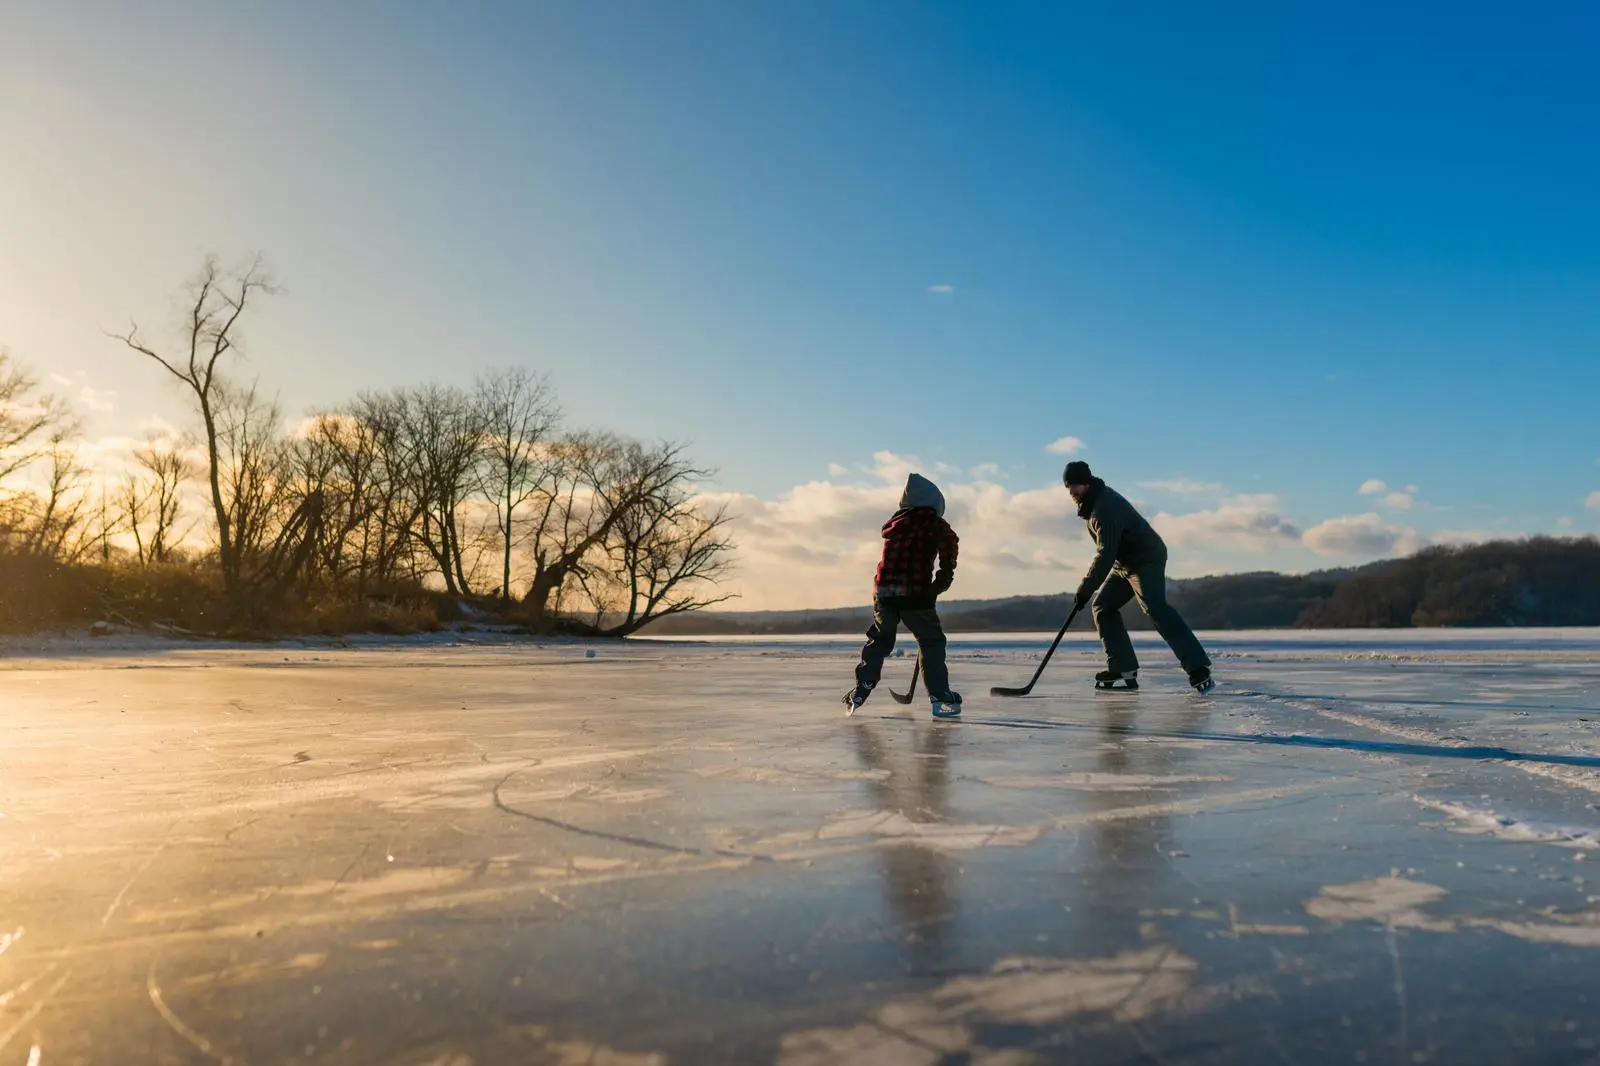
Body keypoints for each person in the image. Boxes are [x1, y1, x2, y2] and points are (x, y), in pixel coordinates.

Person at [1063, 460, 1214, 693]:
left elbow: (1105, 554)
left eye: (1074, 485)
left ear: (1086, 482)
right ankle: (1122, 668)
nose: (1071, 491)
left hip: (1146, 558)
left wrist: (1086, 587)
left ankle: (1198, 668)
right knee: (1102, 606)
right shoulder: (1092, 505)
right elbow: (1110, 554)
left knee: (1155, 607)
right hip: (1124, 563)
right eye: (1068, 486)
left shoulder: (1105, 508)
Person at [843, 473, 963, 717]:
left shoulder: (895, 524)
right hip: (915, 594)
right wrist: (940, 583)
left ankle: (862, 686)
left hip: (884, 593)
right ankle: (940, 697)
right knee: (931, 642)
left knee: (880, 640)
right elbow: (950, 545)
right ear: (935, 503)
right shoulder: (933, 523)